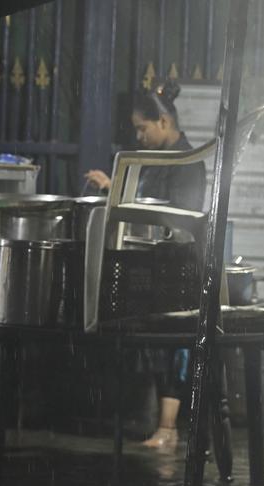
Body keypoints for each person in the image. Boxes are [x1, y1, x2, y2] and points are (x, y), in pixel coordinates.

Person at [84, 79, 207, 450]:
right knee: (156, 344)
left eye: (143, 128)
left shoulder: (187, 161)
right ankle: (157, 425)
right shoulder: (158, 161)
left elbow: (180, 216)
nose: (139, 136)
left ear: (164, 122)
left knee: (175, 344)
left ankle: (168, 429)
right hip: (156, 263)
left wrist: (116, 191)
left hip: (180, 264)